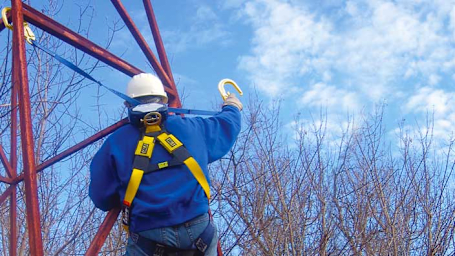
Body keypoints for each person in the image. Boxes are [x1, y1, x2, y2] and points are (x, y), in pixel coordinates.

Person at [89, 73, 242, 256]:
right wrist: (232, 107)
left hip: (147, 237)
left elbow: (101, 197)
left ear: (128, 104)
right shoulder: (193, 129)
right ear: (164, 99)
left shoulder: (115, 144)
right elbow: (225, 126)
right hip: (199, 232)